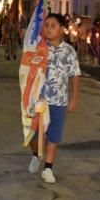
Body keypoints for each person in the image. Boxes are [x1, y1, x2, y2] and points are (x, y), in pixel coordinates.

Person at [27, 13, 80, 184]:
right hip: (38, 100)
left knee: (53, 136)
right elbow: (27, 70)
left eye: (53, 25)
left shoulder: (69, 51)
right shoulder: (39, 47)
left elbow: (75, 75)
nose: (49, 28)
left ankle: (48, 168)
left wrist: (74, 98)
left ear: (62, 29)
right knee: (32, 133)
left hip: (58, 101)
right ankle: (36, 155)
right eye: (47, 25)